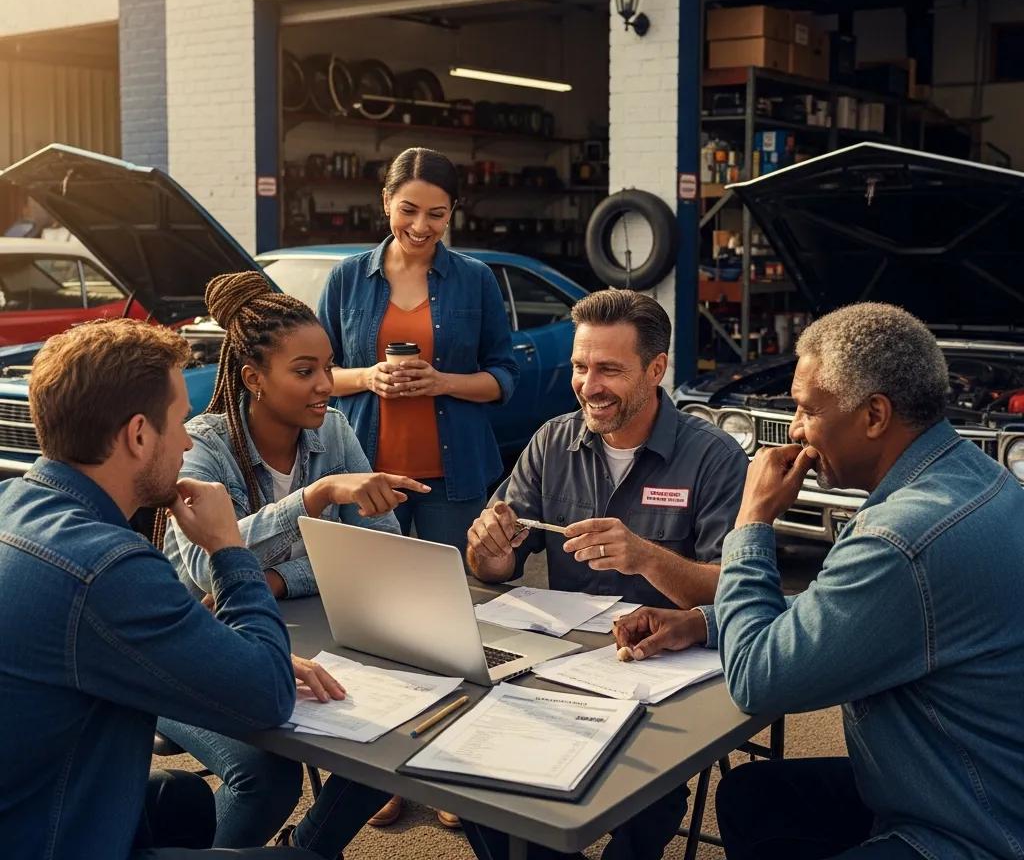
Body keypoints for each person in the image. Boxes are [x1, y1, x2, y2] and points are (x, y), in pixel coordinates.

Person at [613, 302, 1024, 860]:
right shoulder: (975, 476)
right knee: (754, 796)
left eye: (806, 409)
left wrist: (752, 520)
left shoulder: (899, 538)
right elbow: (860, 606)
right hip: (972, 782)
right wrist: (704, 622)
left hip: (965, 829)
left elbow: (758, 680)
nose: (797, 429)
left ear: (875, 415)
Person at [0, 317, 318, 860]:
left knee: (185, 800)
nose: (189, 440)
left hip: (31, 806)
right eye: (181, 421)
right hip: (53, 839)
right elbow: (266, 695)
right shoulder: (108, 567)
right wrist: (228, 549)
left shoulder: (12, 501)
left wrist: (220, 647)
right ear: (139, 434)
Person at [464, 288, 749, 860]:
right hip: (559, 670)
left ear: (657, 369)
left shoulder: (714, 458)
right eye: (580, 366)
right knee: (469, 778)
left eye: (609, 370)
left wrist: (646, 557)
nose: (588, 385)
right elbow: (495, 568)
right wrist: (489, 547)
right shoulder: (551, 441)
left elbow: (737, 589)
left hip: (664, 680)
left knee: (649, 798)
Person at [162, 271, 426, 853]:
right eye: (304, 371)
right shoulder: (202, 445)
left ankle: (302, 853)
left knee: (394, 737)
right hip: (183, 655)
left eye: (328, 367)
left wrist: (276, 578)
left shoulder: (332, 430)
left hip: (298, 635)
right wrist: (315, 499)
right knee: (266, 777)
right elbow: (207, 572)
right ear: (253, 379)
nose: (325, 385)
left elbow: (379, 551)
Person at [318, 146, 518, 829]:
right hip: (368, 480)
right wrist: (366, 378)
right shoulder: (348, 279)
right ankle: (389, 774)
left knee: (457, 635)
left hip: (454, 479)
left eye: (438, 213)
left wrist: (443, 382)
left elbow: (504, 377)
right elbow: (318, 376)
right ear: (385, 203)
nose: (423, 226)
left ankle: (458, 770)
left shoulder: (476, 281)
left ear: (453, 213)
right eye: (410, 210)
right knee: (380, 633)